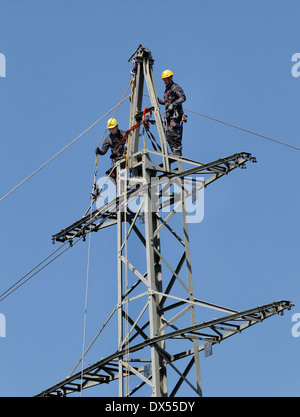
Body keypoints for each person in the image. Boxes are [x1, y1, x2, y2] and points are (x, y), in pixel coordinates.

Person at [158, 70, 186, 156]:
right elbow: (166, 101)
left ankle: (178, 151)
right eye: (163, 79)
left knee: (174, 132)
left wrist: (173, 105)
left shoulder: (175, 87)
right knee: (168, 134)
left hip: (176, 115)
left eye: (166, 79)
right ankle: (174, 151)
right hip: (169, 116)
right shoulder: (167, 90)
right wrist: (158, 100)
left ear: (170, 78)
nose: (164, 81)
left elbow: (183, 98)